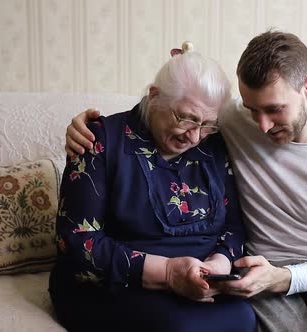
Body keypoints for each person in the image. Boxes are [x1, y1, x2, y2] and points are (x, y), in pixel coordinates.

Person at [65, 30, 307, 332]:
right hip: (256, 266)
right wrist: (83, 129)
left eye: (274, 110)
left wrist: (269, 274)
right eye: (251, 110)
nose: (261, 126)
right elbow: (79, 238)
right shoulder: (223, 123)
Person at [49, 42, 256, 332]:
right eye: (185, 118)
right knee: (178, 327)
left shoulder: (213, 144)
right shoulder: (99, 139)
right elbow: (77, 242)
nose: (195, 136)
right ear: (154, 96)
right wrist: (169, 273)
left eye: (208, 124)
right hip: (113, 285)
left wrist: (219, 266)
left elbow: (233, 226)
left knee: (244, 317)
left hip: (200, 285)